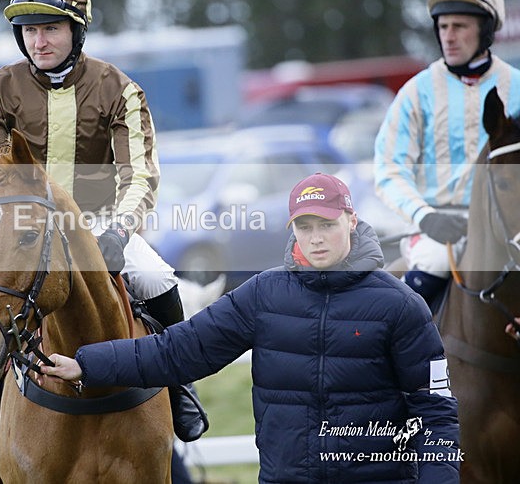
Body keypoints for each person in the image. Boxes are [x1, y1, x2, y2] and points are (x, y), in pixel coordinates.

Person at [41, 172, 461, 483]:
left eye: (327, 225)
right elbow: (179, 350)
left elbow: (437, 413)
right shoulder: (263, 294)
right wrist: (87, 364)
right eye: (305, 226)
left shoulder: (401, 306)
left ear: (351, 221)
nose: (316, 238)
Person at [0, 0, 207, 460]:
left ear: (76, 29)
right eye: (29, 30)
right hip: (23, 226)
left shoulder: (119, 89)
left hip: (97, 226)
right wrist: (6, 221)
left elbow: (140, 174)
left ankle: (179, 383)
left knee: (157, 279)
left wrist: (120, 231)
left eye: (50, 28)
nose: (39, 41)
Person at [374, 0, 520, 311]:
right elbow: (388, 170)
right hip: (439, 230)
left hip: (510, 221)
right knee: (432, 262)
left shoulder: (516, 87)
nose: (449, 37)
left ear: (486, 30)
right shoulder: (416, 92)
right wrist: (425, 216)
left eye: (460, 26)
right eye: (443, 27)